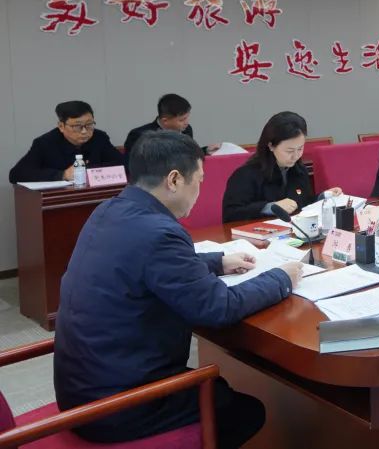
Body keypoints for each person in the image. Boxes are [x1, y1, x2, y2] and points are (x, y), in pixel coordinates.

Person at [53, 131, 303, 448]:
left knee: (219, 390)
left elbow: (148, 263)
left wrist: (217, 262)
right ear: (174, 180)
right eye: (198, 180)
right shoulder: (160, 232)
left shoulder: (109, 210)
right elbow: (219, 308)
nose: (199, 190)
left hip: (82, 388)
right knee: (242, 411)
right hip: (117, 406)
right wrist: (281, 278)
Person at [222, 111, 341, 222]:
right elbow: (231, 213)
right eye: (289, 151)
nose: (296, 156)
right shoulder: (246, 175)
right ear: (271, 146)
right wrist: (270, 207)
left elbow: (304, 203)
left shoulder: (299, 170)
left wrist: (324, 197)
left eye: (300, 149)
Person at [8, 100, 124, 183]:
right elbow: (16, 174)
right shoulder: (45, 143)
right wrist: (62, 175)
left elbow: (123, 163)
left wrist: (92, 171)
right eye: (77, 126)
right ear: (61, 126)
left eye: (89, 124)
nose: (84, 131)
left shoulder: (99, 138)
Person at [124, 93, 222, 160]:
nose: (186, 122)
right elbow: (133, 165)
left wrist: (205, 151)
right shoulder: (139, 135)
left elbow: (187, 154)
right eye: (181, 120)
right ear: (165, 121)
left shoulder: (186, 130)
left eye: (187, 117)